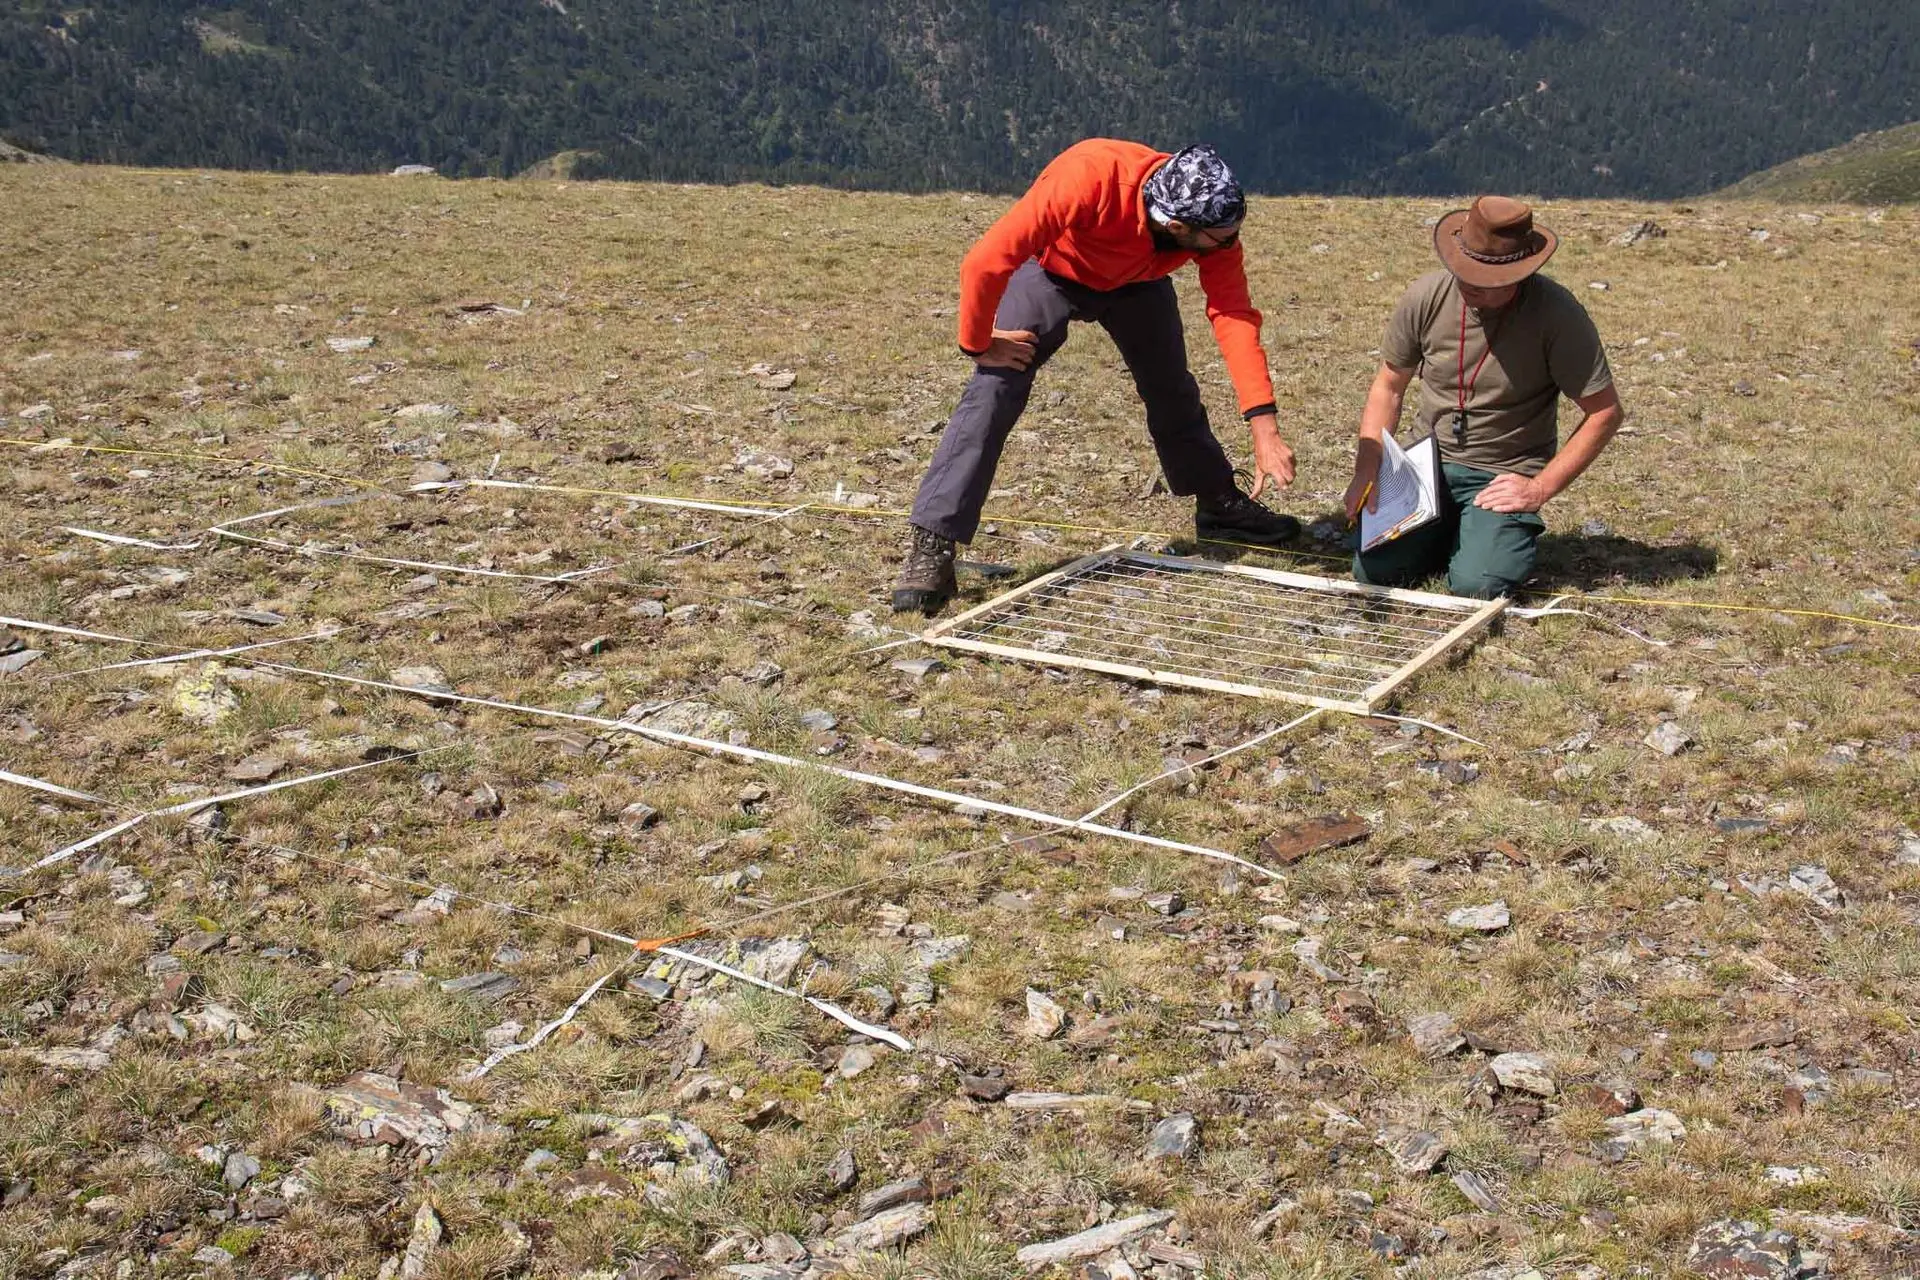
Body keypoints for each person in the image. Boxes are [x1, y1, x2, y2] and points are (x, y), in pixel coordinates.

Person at [892, 138, 1302, 615]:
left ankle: (1218, 504)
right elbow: (985, 261)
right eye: (1222, 237)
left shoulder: (1211, 222)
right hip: (1053, 271)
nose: (1231, 243)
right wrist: (979, 342)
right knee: (996, 386)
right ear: (1176, 225)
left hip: (1139, 284)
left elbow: (1233, 314)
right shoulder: (1088, 179)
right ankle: (932, 543)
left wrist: (1264, 428)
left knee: (1171, 389)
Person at [1343, 196, 1625, 600]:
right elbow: (1388, 385)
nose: (1470, 282)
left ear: (1519, 273)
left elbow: (1605, 412)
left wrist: (1538, 489)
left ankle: (1475, 537)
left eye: (1487, 278)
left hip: (1503, 472)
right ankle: (1454, 532)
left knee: (1478, 585)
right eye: (1464, 270)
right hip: (1426, 465)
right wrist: (1368, 469)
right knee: (1373, 569)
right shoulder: (1426, 296)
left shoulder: (1557, 314)